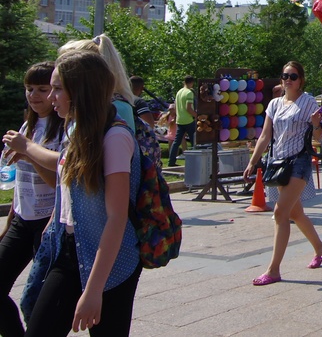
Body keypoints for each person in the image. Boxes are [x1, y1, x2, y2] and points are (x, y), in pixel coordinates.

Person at [23, 51, 142, 336]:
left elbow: (116, 218)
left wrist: (93, 291)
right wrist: (56, 220)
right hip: (68, 251)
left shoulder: (115, 138)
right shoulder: (75, 128)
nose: (51, 97)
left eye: (57, 88)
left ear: (80, 90)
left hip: (112, 261)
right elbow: (68, 179)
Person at [243, 62, 322, 286]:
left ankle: (273, 270)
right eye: (285, 75)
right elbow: (265, 136)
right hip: (278, 163)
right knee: (295, 213)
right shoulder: (274, 104)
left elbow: (319, 137)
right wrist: (253, 162)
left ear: (301, 79)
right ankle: (320, 248)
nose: (288, 79)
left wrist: (317, 124)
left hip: (299, 162)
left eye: (293, 76)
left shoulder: (308, 102)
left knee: (281, 213)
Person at [0, 62, 64, 337]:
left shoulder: (62, 126)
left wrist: (28, 153)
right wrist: (9, 222)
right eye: (29, 88)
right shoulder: (29, 124)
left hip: (48, 223)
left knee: (36, 302)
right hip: (22, 221)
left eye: (42, 89)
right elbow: (21, 184)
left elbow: (56, 180)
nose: (34, 95)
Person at [167, 76, 196, 168]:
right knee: (194, 141)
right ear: (192, 83)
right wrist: (196, 115)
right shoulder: (189, 93)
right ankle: (194, 161)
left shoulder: (179, 92)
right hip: (189, 120)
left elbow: (176, 106)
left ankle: (171, 161)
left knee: (176, 142)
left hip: (179, 120)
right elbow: (188, 108)